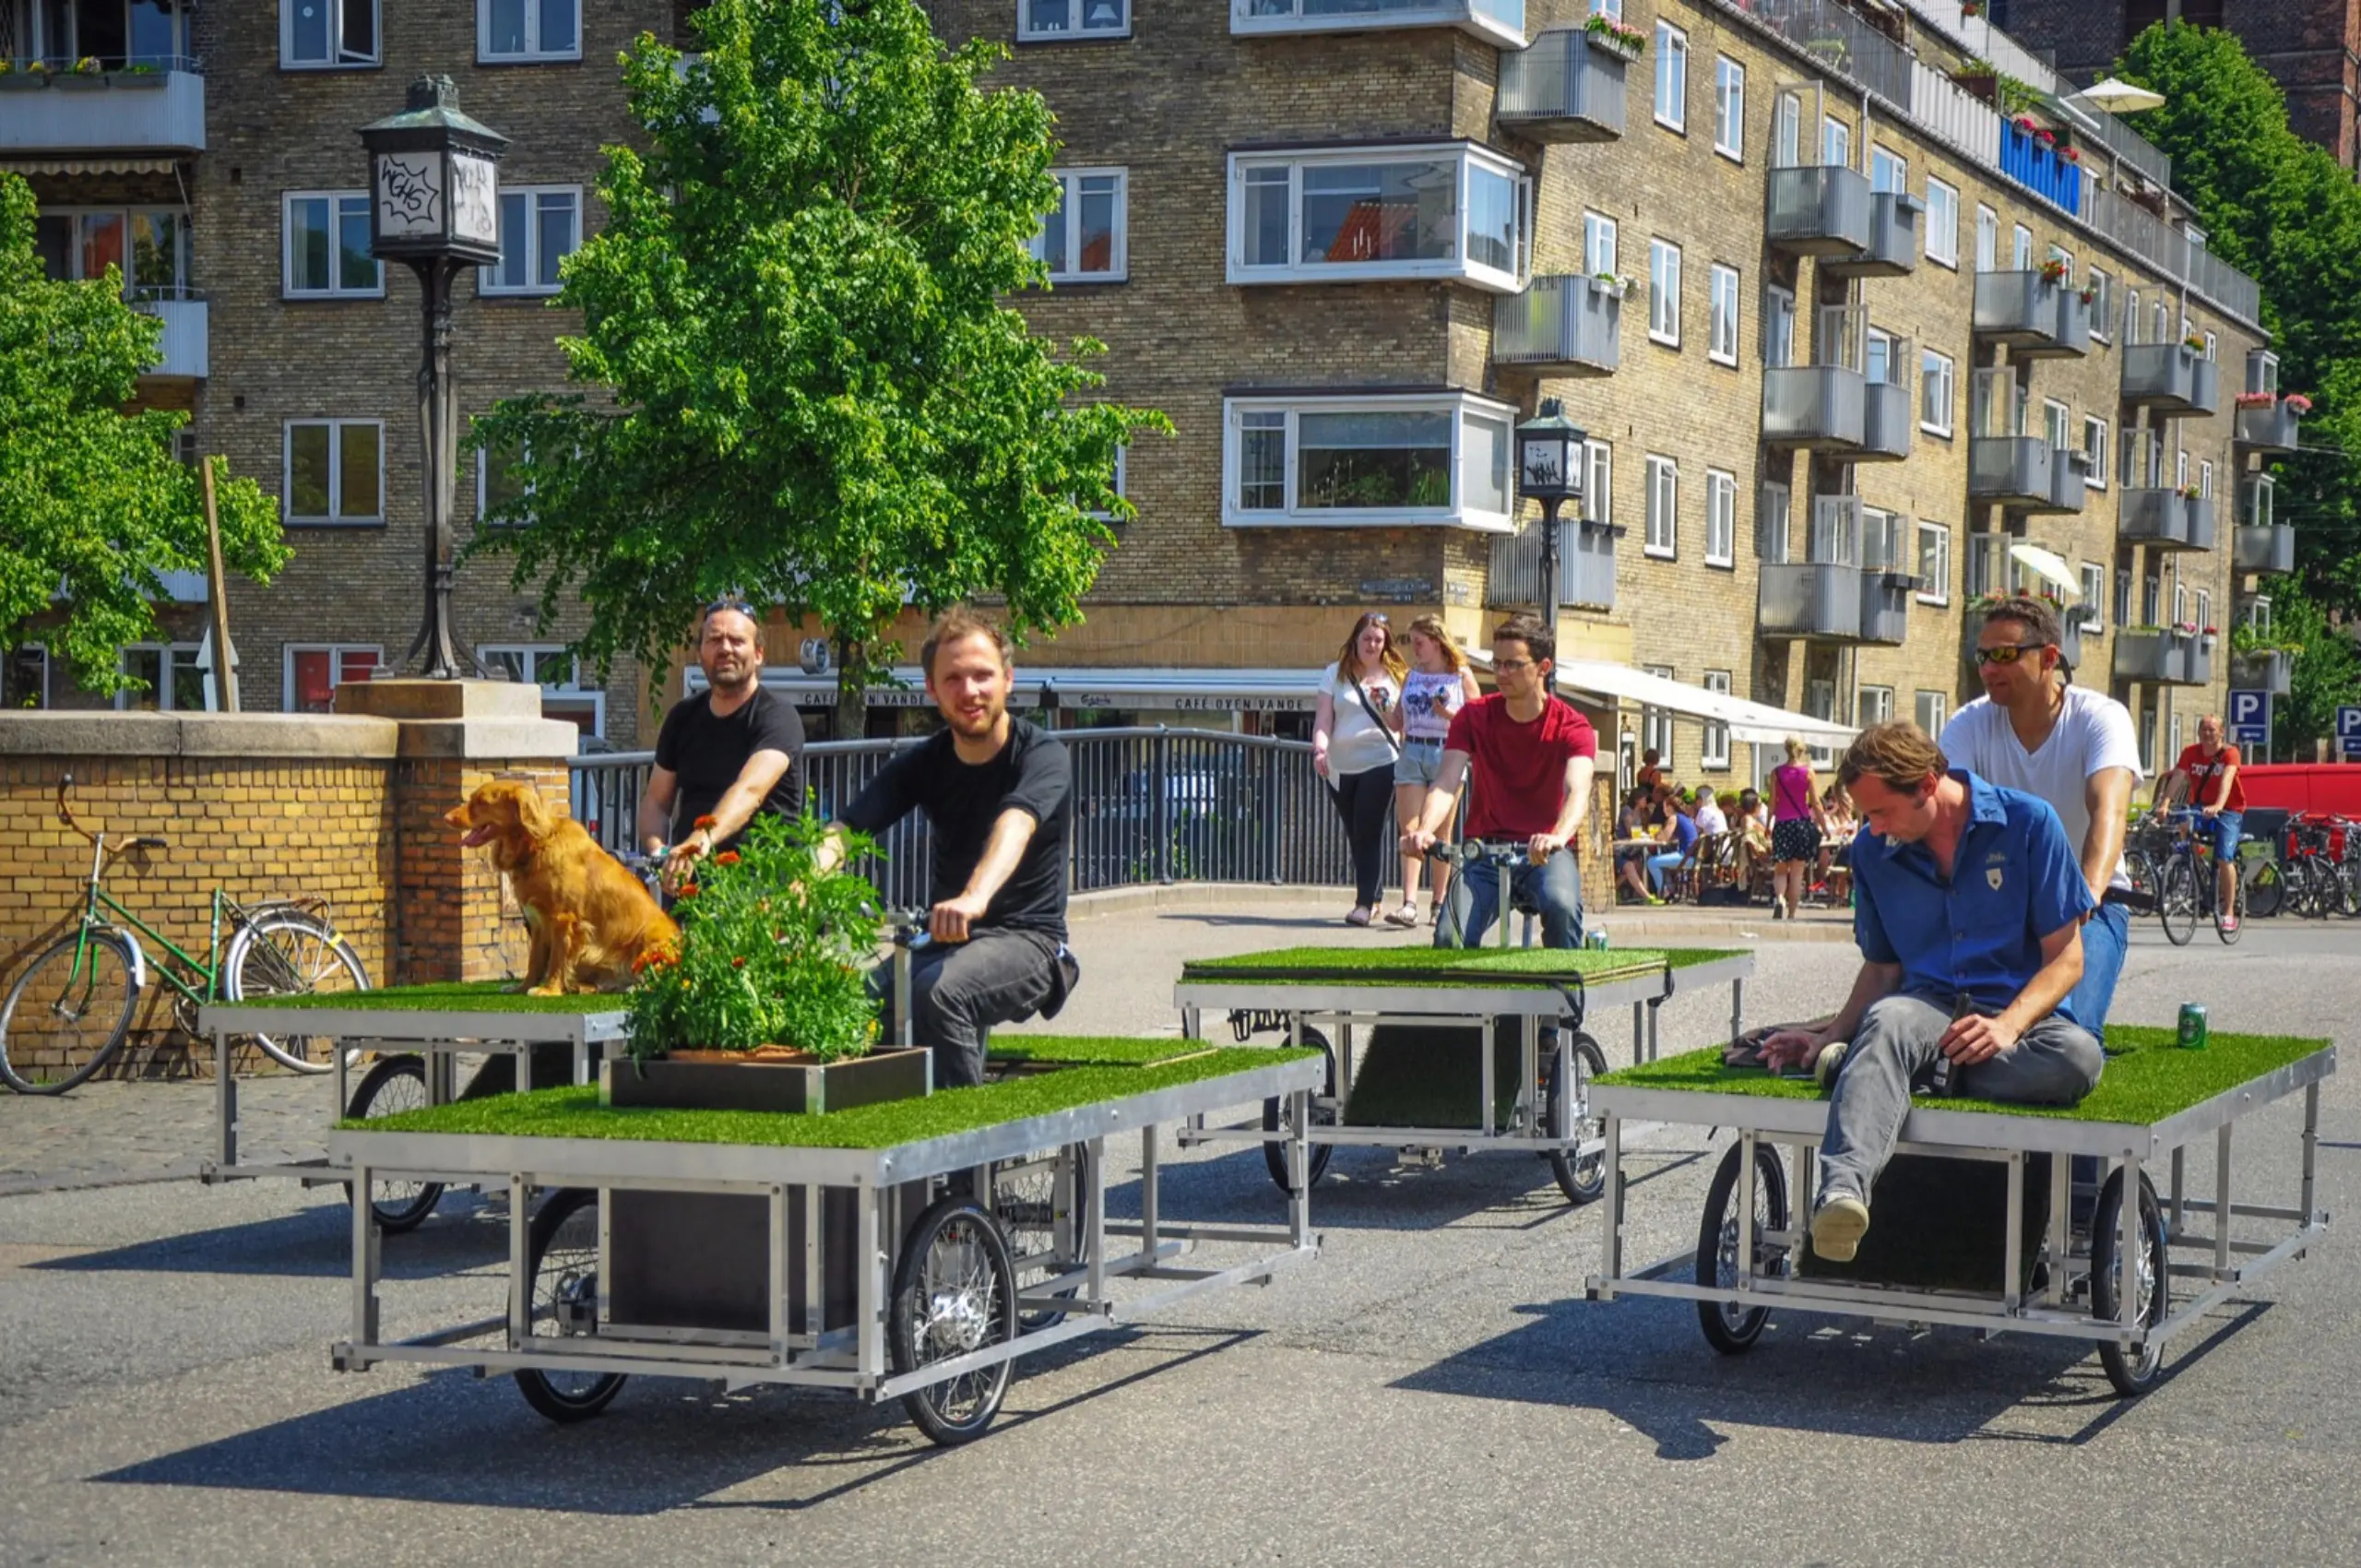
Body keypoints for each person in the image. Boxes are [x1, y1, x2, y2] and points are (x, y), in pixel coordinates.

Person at [1760, 721, 2104, 1263]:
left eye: (1881, 812)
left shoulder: (2029, 823)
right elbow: (1882, 970)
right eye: (1866, 815)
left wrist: (2008, 1025)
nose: (1873, 830)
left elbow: (2068, 957)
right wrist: (1830, 1033)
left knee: (2078, 1057)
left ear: (1926, 784)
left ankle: (1886, 1071)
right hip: (1924, 1008)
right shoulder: (1872, 852)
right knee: (1889, 1020)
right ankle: (1842, 1195)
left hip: (2015, 1020)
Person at [827, 612, 1075, 1090]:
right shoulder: (925, 762)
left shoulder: (1041, 756)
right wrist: (799, 884)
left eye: (983, 675)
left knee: (938, 993)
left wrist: (974, 897)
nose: (970, 691)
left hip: (1029, 941)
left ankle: (968, 1139)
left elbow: (1016, 823)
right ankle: (888, 1129)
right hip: (944, 940)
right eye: (954, 679)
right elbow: (848, 828)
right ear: (931, 689)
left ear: (1007, 679)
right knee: (848, 1007)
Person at [1940, 596, 2143, 1017]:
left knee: (2068, 1030)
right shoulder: (1969, 723)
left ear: (2049, 658)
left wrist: (2087, 893)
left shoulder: (2101, 718)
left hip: (2090, 905)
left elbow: (2109, 809)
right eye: (1982, 656)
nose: (1988, 669)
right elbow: (1945, 810)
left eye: (2004, 655)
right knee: (1951, 1014)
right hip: (2000, 904)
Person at [1401, 613, 1597, 947]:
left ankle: (1563, 981)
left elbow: (1577, 790)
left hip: (1545, 852)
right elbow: (1446, 782)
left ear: (1544, 667)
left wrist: (1557, 836)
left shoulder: (1572, 726)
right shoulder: (1473, 717)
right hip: (1484, 853)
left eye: (1513, 665)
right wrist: (1424, 829)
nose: (1501, 673)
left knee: (1561, 907)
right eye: (1497, 664)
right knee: (1449, 938)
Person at [638, 600, 807, 895]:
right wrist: (659, 852)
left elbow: (750, 790)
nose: (725, 648)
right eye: (715, 640)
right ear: (700, 653)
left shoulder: (778, 716)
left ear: (758, 654)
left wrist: (699, 840)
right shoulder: (682, 717)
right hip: (692, 891)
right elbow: (656, 801)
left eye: (737, 640)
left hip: (761, 888)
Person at [1313, 612, 1406, 928]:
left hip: (1380, 761)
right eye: (1366, 638)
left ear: (1386, 644)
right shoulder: (1334, 674)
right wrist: (1320, 749)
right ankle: (1374, 895)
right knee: (1355, 832)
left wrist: (1387, 706)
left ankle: (1364, 904)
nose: (1372, 645)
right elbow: (1324, 719)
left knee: (1368, 829)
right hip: (1339, 766)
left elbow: (1401, 724)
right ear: (1355, 640)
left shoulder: (1396, 676)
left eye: (1378, 640)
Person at [1392, 614, 1484, 928]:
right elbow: (1397, 720)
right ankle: (1408, 904)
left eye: (1419, 642)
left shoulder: (1460, 674)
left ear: (1436, 641)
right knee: (1410, 830)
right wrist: (1380, 705)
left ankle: (1439, 902)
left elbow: (1478, 720)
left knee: (1440, 832)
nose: (1415, 649)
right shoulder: (1412, 675)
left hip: (1447, 752)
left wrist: (1448, 714)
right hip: (1412, 749)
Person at [2165, 714, 2247, 930]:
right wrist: (2164, 803)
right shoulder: (2190, 753)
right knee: (2184, 825)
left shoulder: (2230, 753)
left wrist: (2219, 805)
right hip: (2201, 806)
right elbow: (2177, 777)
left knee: (2224, 857)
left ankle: (2229, 912)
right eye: (2204, 729)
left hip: (2229, 810)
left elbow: (2227, 779)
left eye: (2212, 730)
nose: (2207, 734)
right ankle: (2195, 867)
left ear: (2221, 733)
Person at [1767, 736, 1823, 920]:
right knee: (1797, 873)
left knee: (1780, 869)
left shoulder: (1776, 773)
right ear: (1802, 750)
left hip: (1782, 824)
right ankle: (1791, 913)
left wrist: (1767, 824)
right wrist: (1824, 826)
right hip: (1801, 825)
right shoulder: (1808, 772)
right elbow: (1816, 803)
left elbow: (1772, 803)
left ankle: (1779, 898)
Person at [1646, 789, 1700, 898]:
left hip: (1686, 858)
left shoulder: (1673, 817)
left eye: (1664, 807)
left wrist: (1655, 835)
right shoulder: (1684, 818)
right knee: (1660, 860)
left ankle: (1663, 892)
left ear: (1670, 807)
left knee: (1651, 862)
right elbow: (1672, 837)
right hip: (1692, 857)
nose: (1663, 810)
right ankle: (1669, 889)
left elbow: (1664, 838)